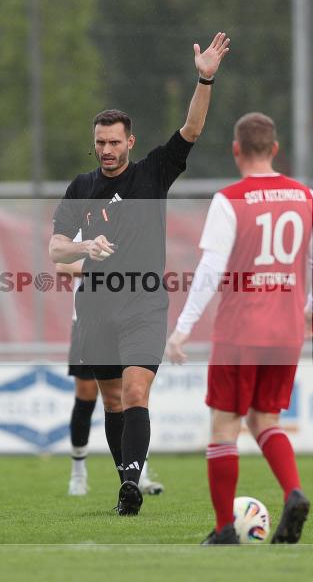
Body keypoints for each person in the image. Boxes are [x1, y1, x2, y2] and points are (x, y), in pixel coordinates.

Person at [50, 32, 230, 516]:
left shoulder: (152, 173)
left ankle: (130, 485)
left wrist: (205, 77)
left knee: (135, 391)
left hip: (145, 302)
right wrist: (86, 246)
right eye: (100, 143)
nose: (107, 149)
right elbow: (55, 249)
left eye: (114, 142)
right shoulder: (81, 187)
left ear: (129, 141)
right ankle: (125, 475)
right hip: (96, 306)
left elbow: (192, 127)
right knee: (111, 402)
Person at [165, 112, 313, 545]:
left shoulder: (229, 200)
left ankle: (224, 530)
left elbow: (210, 270)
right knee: (266, 418)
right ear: (275, 150)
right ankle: (293, 491)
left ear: (236, 150)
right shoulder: (306, 197)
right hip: (287, 328)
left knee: (225, 424)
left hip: (241, 328)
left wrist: (182, 328)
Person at [59, 253, 164, 497]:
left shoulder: (133, 227)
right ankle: (78, 473)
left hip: (130, 319)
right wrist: (104, 270)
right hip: (88, 321)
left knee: (135, 393)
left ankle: (139, 474)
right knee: (86, 396)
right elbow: (62, 264)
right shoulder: (84, 222)